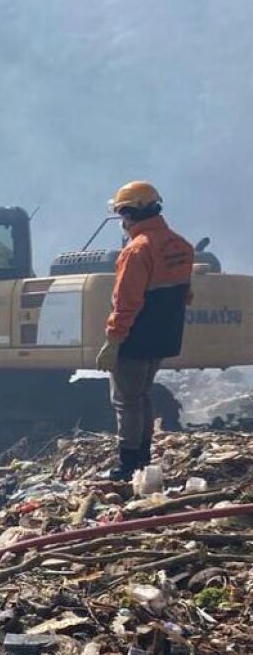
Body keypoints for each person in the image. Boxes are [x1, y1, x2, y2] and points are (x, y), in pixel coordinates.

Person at [94, 181, 194, 482]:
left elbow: (126, 301)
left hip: (136, 336)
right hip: (164, 334)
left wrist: (113, 341)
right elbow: (185, 294)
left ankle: (128, 465)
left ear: (129, 214)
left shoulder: (137, 251)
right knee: (142, 396)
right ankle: (142, 460)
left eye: (122, 215)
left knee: (126, 401)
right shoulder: (180, 245)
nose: (123, 223)